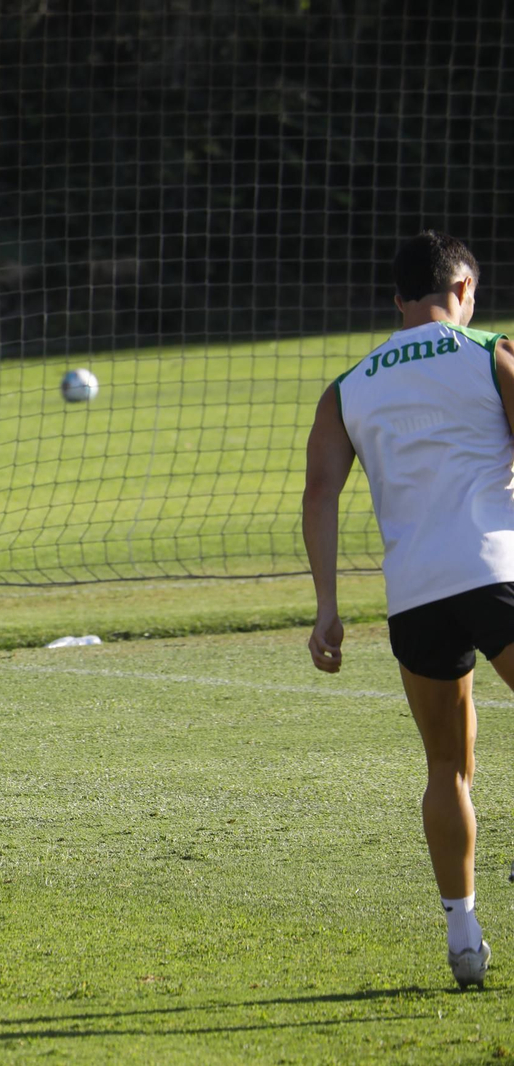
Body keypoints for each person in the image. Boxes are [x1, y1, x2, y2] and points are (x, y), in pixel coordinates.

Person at [304, 230, 514, 988]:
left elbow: (320, 492)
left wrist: (327, 605)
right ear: (463, 290)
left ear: (398, 302)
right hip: (498, 573)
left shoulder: (348, 385)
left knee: (446, 766)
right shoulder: (491, 352)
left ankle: (463, 934)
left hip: (416, 597)